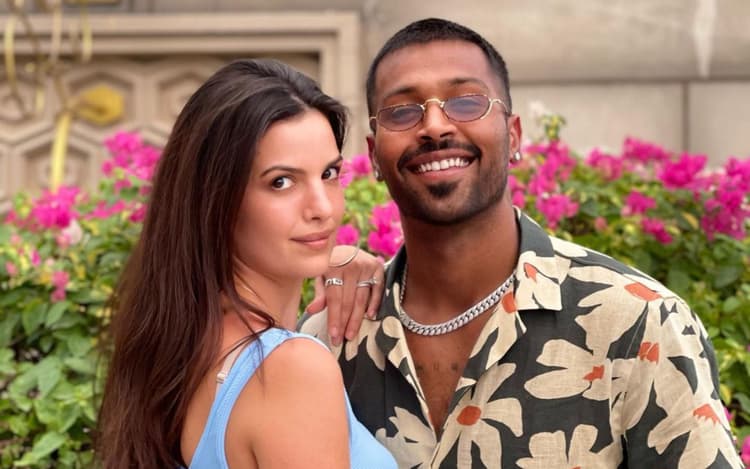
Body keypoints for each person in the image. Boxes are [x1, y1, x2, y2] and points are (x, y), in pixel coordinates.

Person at [300, 18, 744, 468]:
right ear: (374, 155)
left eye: (466, 102)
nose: (434, 126)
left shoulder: (637, 324)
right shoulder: (330, 341)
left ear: (513, 135)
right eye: (402, 111)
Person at [96, 58, 396, 469]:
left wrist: (340, 259)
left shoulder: (187, 349)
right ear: (216, 199)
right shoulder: (289, 371)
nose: (323, 208)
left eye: (329, 174)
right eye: (281, 182)